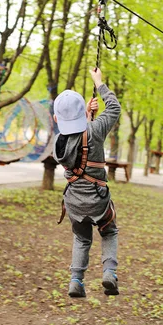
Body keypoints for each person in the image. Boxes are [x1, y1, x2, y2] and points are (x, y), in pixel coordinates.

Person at [52, 67, 121, 298]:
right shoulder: (95, 131)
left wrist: (87, 117)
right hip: (98, 200)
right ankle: (109, 273)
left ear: (56, 119)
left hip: (74, 202)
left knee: (82, 238)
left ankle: (76, 281)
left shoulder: (57, 144)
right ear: (82, 113)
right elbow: (114, 108)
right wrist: (99, 83)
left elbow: (76, 137)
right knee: (109, 231)